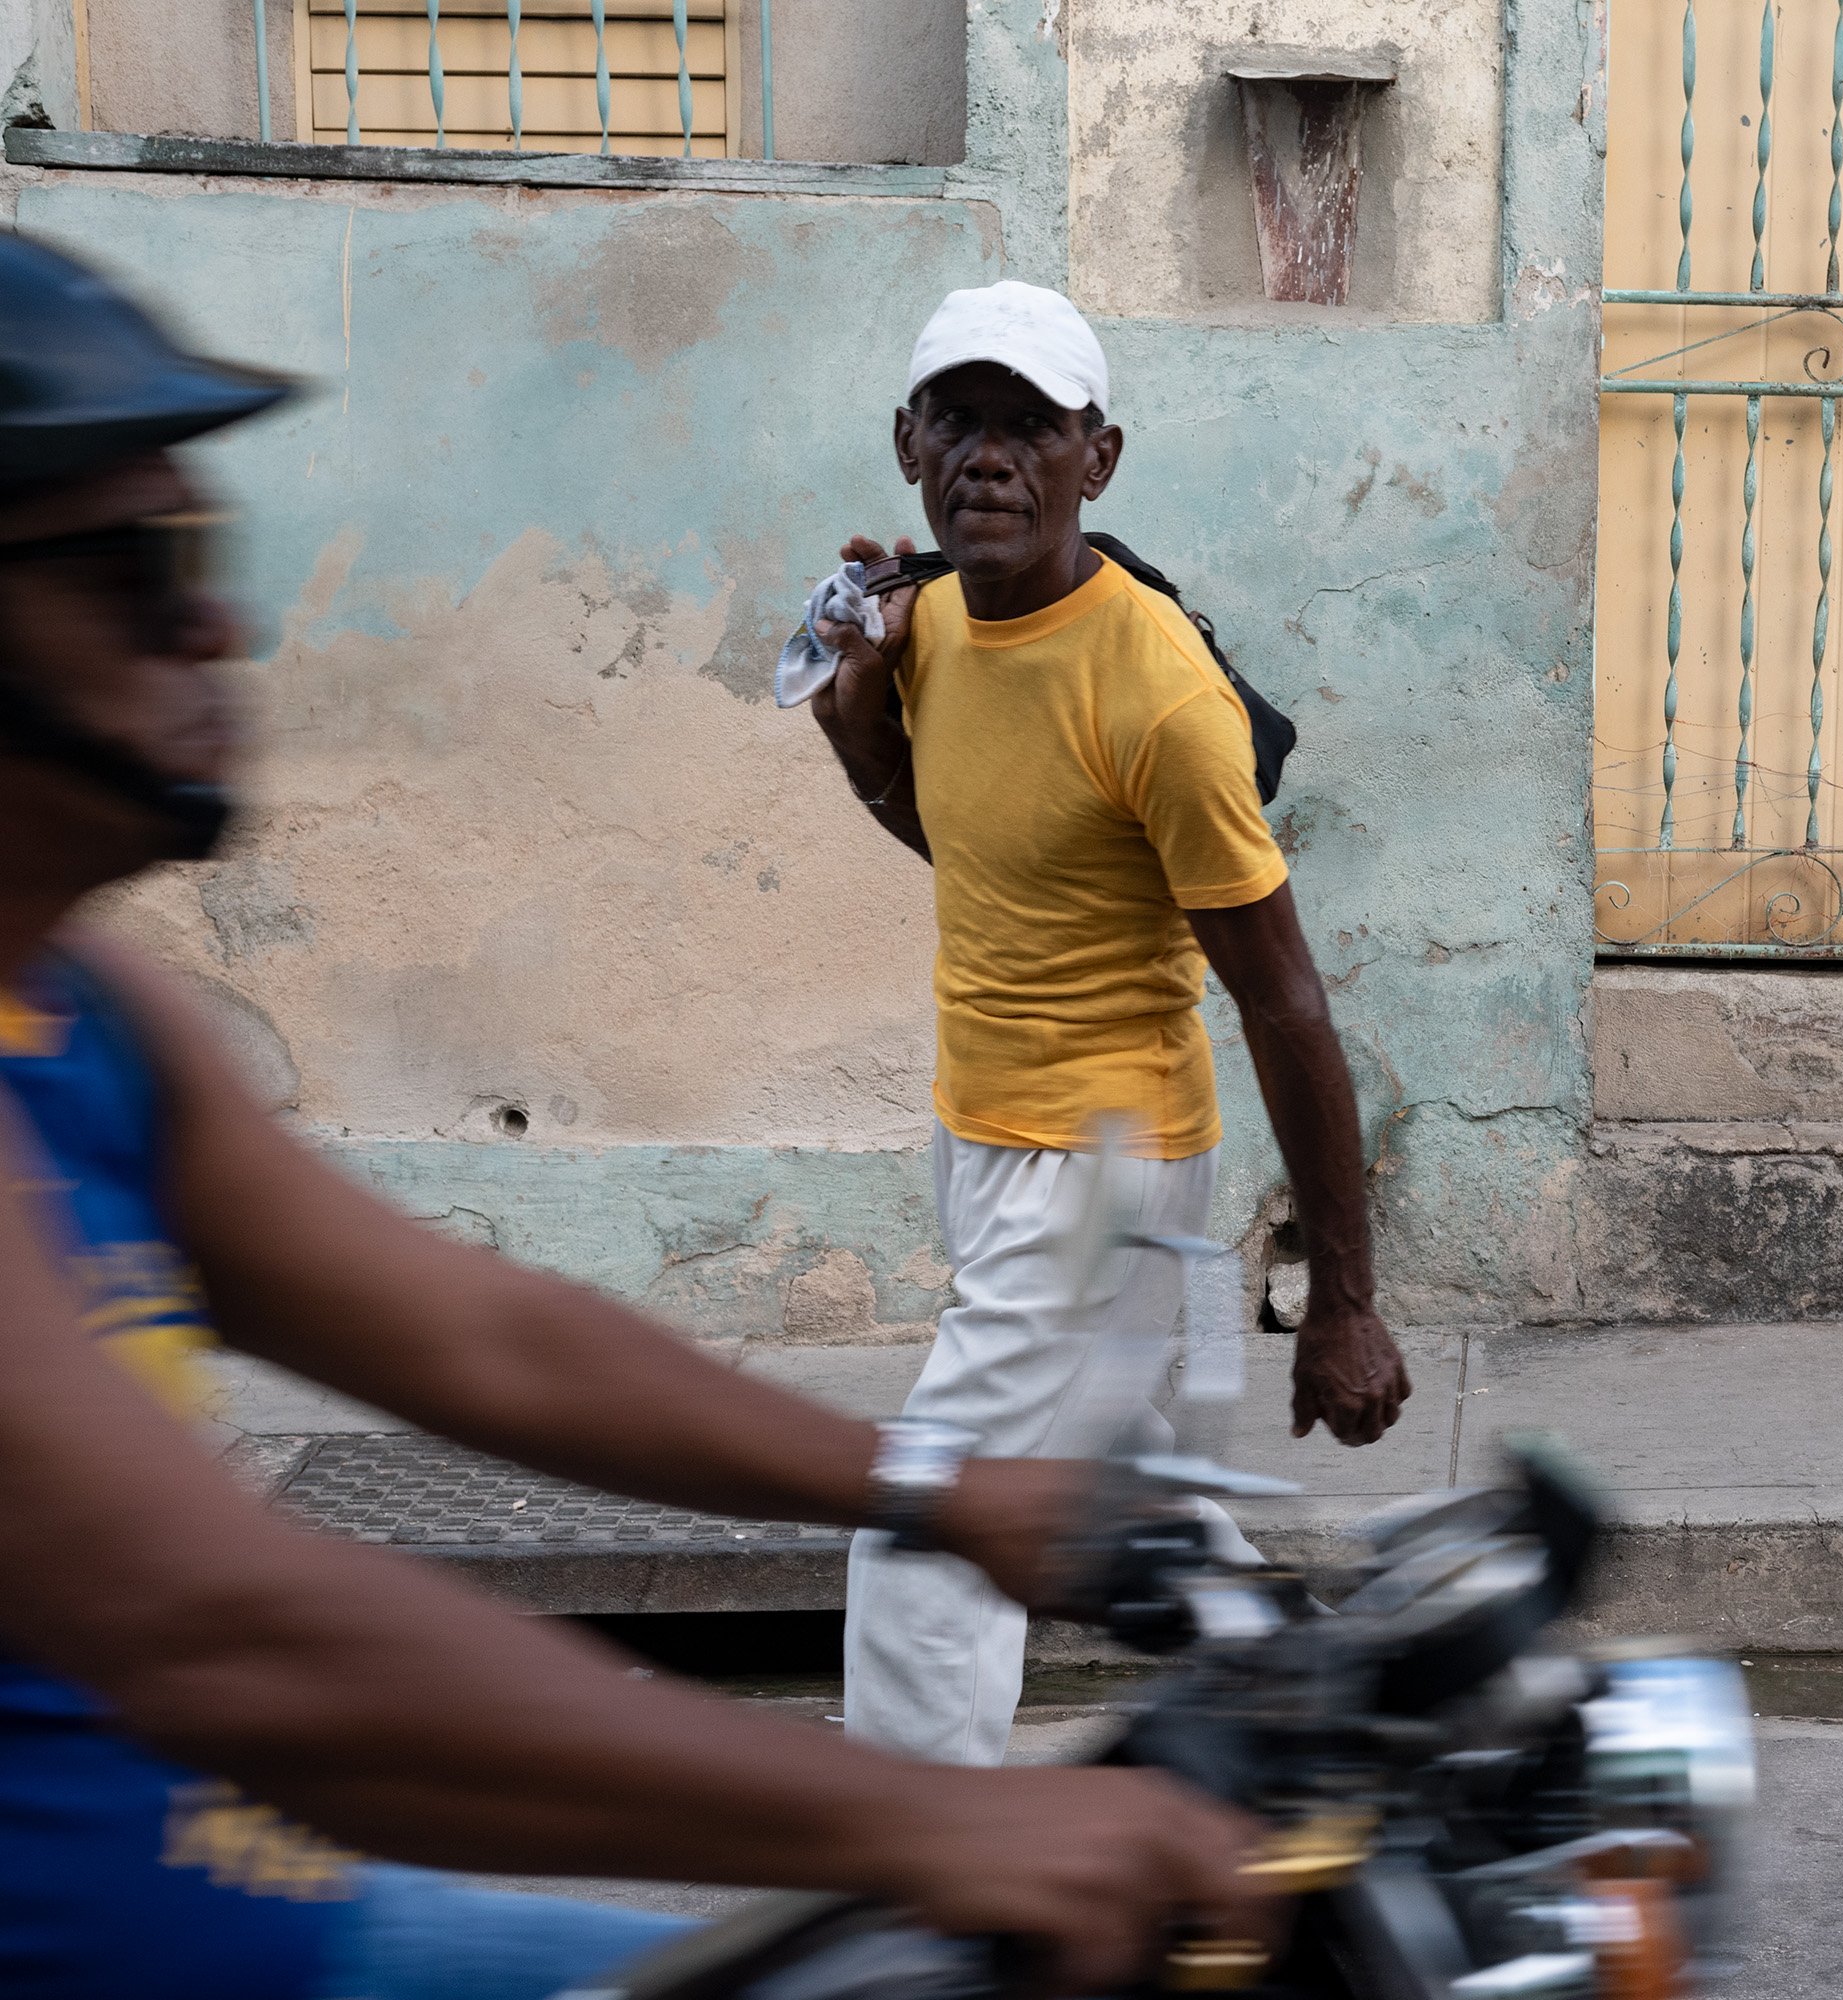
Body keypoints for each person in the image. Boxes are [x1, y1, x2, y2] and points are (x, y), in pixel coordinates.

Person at [0, 235, 1271, 2000]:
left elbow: (491, 1339)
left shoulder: (89, 1024)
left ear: (1093, 456)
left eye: (199, 556)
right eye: (135, 574)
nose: (215, 621)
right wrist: (919, 1825)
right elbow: (241, 1649)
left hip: (279, 1922)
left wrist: (940, 1495)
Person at [806, 281, 1414, 1766]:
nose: (991, 459)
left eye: (1034, 428)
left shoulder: (1158, 692)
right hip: (993, 1140)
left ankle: (931, 1879)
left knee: (927, 1532)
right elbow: (980, 850)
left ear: (1101, 457)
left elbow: (1283, 998)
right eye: (961, 420)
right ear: (907, 442)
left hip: (1099, 1164)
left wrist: (1343, 1296)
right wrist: (862, 728)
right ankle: (1340, 1755)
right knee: (1130, 1501)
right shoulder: (931, 625)